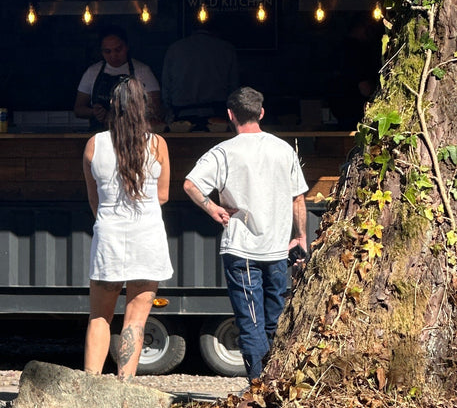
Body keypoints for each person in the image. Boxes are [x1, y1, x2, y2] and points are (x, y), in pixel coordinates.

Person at [183, 86, 308, 383]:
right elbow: (298, 198)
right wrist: (301, 236)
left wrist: (212, 207)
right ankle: (274, 383)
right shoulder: (284, 149)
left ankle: (258, 385)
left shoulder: (224, 152)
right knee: (274, 320)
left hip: (241, 249)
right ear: (261, 113)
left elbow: (190, 184)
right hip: (278, 249)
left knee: (250, 321)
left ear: (230, 115)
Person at [82, 75, 172, 377]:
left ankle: (90, 386)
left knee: (99, 318)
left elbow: (94, 201)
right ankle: (125, 390)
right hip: (147, 235)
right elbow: (163, 195)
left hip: (108, 234)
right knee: (135, 321)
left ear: (111, 106)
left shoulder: (94, 145)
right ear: (142, 107)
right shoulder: (158, 144)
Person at [74, 26, 162, 128]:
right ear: (101, 52)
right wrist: (94, 112)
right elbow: (78, 109)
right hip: (100, 134)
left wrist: (132, 115)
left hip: (133, 135)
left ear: (127, 47)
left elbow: (155, 109)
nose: (113, 55)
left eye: (118, 50)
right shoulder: (92, 72)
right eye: (107, 51)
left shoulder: (143, 71)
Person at [160, 28, 239, 128]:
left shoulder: (174, 49)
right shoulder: (226, 49)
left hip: (182, 115)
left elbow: (166, 86)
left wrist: (168, 110)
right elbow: (234, 87)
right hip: (218, 116)